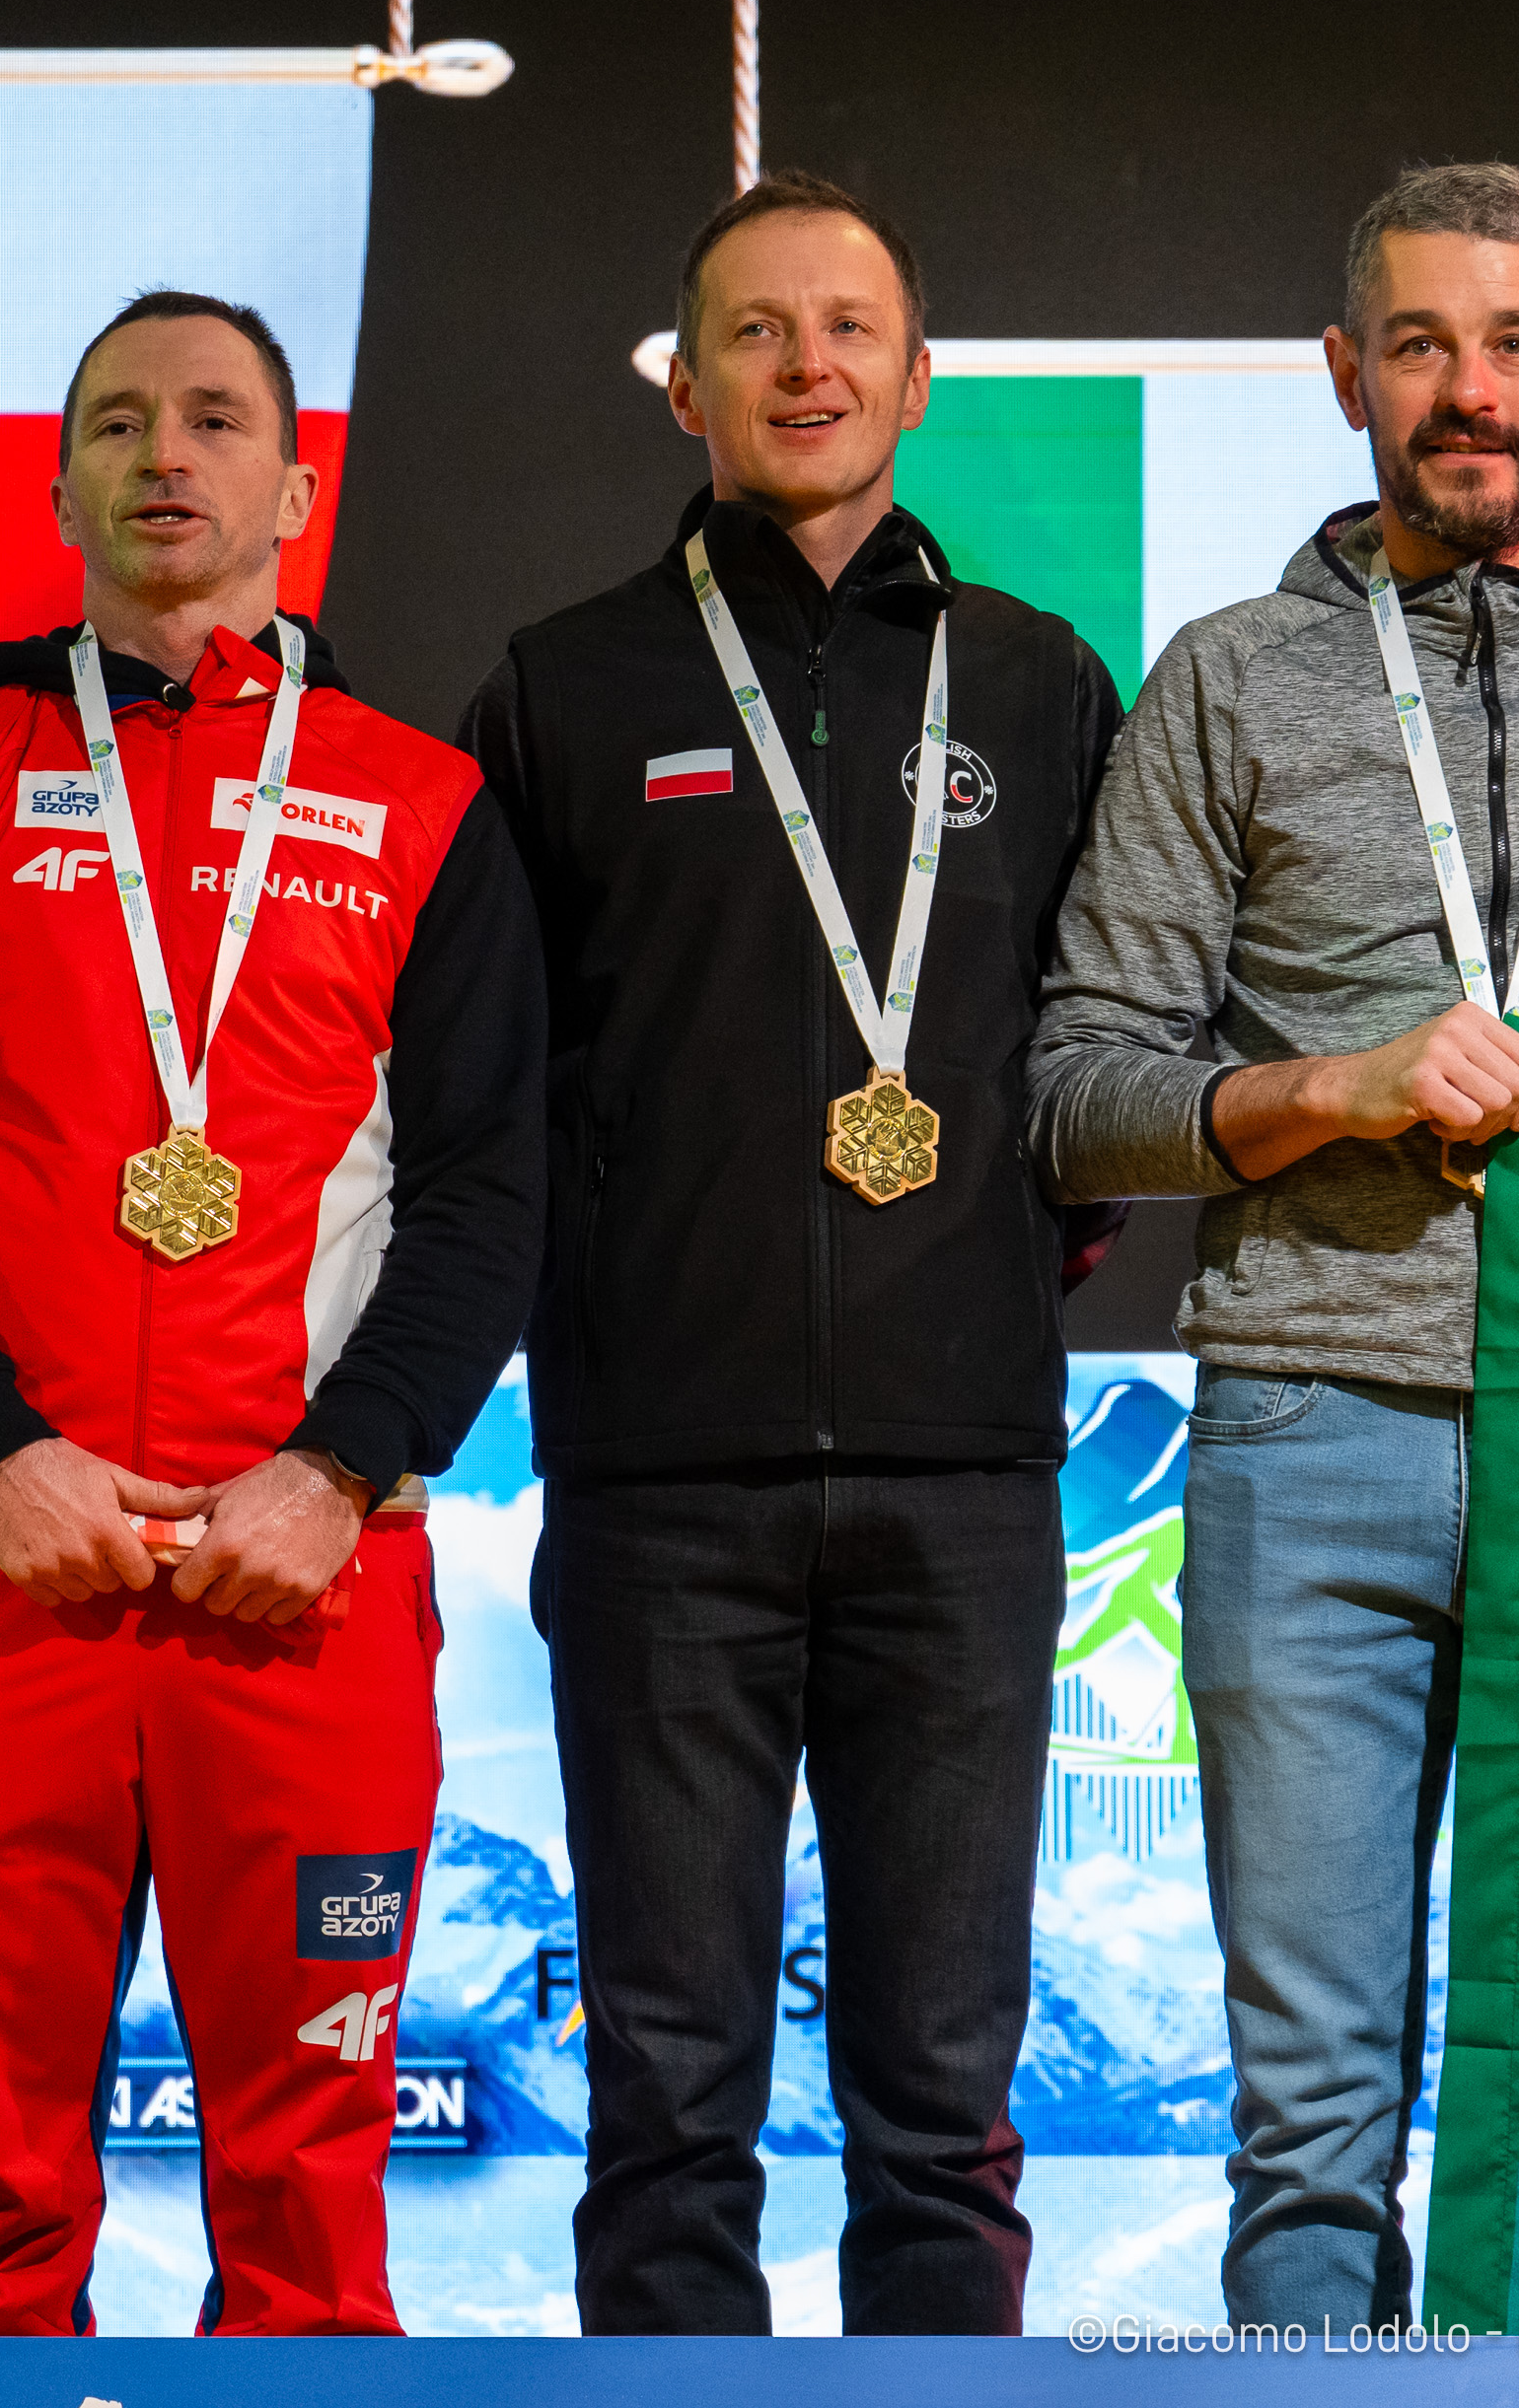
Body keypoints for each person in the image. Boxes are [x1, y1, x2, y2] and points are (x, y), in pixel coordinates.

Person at [1030, 161, 1519, 2326]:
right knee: (1308, 2118)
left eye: (1511, 343)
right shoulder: (1227, 679)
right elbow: (1079, 1090)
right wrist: (1341, 1086)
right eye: (1416, 344)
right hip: (1312, 1429)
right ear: (1340, 371)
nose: (1465, 390)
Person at [0, 289, 542, 2335]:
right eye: (117, 422)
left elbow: (490, 1197)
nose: (164, 455)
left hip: (307, 1582)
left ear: (296, 489)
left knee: (309, 2212)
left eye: (215, 418)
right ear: (58, 488)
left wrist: (339, 1470)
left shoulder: (421, 802)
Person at [461, 174, 1121, 2334]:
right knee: (664, 2101)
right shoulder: (563, 687)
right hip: (661, 1489)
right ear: (686, 388)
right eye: (754, 329)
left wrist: (989, 1269)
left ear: (916, 380)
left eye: (847, 328)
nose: (805, 363)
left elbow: (1101, 1053)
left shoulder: (1035, 679)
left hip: (962, 1481)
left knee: (942, 2106)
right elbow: (487, 1086)